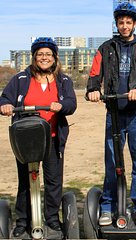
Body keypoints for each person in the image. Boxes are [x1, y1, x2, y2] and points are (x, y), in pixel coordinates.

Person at [86, 2, 136, 227]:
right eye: (121, 22)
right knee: (112, 161)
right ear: (116, 24)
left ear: (135, 24)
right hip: (114, 114)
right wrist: (92, 90)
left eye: (129, 22)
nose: (125, 26)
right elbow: (94, 75)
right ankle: (108, 204)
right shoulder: (106, 48)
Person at [0, 37, 77, 237]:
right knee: (25, 182)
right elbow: (5, 98)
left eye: (48, 54)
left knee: (53, 181)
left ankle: (52, 220)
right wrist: (5, 105)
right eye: (40, 54)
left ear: (54, 57)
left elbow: (71, 103)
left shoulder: (63, 80)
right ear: (34, 57)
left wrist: (61, 106)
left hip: (52, 138)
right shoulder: (21, 79)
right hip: (26, 140)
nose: (44, 58)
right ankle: (23, 222)